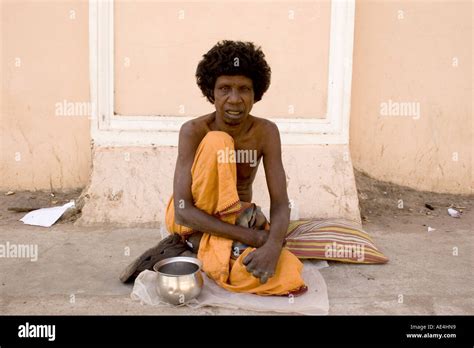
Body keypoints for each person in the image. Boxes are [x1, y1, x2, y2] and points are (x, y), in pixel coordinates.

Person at [165, 40, 306, 296]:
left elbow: (281, 202)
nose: (234, 99)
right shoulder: (194, 131)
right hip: (194, 220)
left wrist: (272, 247)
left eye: (244, 89)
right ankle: (200, 244)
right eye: (224, 89)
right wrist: (253, 238)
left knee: (287, 275)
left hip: (238, 220)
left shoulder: (266, 132)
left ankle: (206, 251)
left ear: (256, 94)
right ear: (212, 93)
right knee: (219, 142)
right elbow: (182, 212)